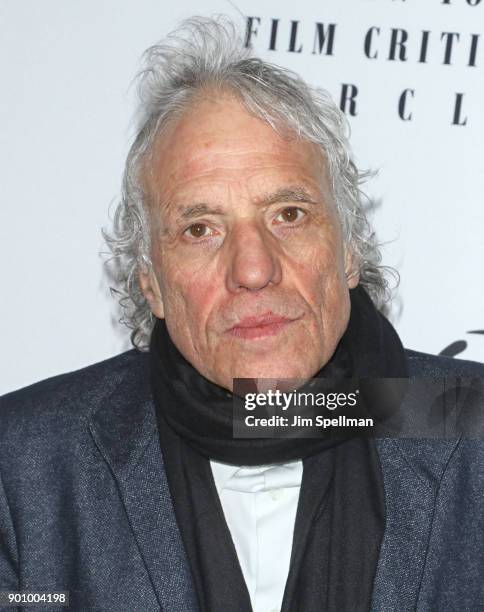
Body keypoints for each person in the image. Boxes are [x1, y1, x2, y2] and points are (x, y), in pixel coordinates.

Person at [1, 16, 484, 612]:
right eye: (200, 229)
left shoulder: (471, 426)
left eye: (289, 213)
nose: (252, 269)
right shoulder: (22, 464)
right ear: (149, 281)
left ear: (350, 249)